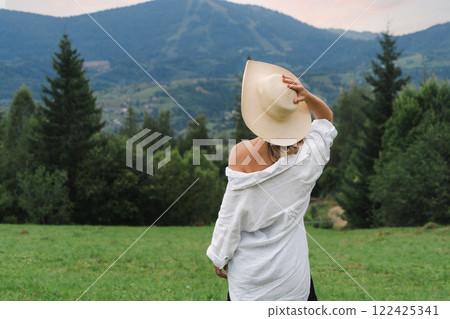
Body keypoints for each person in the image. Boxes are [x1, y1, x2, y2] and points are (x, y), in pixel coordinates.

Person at [206, 61, 337, 301]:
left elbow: (230, 215)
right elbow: (326, 119)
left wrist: (219, 254)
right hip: (292, 277)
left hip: (250, 279)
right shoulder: (311, 155)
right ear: (292, 111)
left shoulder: (241, 153)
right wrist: (306, 96)